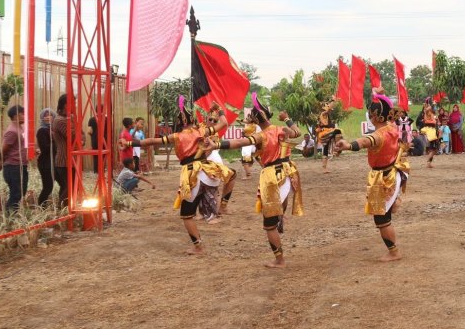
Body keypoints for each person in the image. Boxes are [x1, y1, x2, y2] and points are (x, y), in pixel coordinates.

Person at [122, 98, 235, 255]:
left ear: (181, 122)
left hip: (192, 174)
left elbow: (151, 141)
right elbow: (223, 123)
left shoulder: (177, 136)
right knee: (211, 192)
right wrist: (219, 108)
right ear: (193, 120)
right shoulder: (201, 131)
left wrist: (128, 144)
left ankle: (198, 247)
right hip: (208, 172)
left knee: (186, 215)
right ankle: (215, 209)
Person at [216, 94, 302, 267]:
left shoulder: (261, 136)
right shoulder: (281, 130)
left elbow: (240, 142)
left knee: (268, 226)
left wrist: (217, 145)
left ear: (256, 118)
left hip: (273, 177)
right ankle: (281, 218)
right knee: (282, 200)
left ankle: (280, 260)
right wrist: (287, 119)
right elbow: (298, 132)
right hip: (289, 173)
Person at [334, 90, 410, 262]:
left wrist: (347, 145)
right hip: (393, 171)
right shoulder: (392, 127)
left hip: (385, 177)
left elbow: (363, 142)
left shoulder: (378, 135)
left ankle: (394, 252)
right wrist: (381, 96)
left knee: (381, 218)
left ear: (375, 116)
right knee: (384, 212)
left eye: (370, 112)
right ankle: (395, 199)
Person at [0, 105, 28, 211]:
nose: (25, 116)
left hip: (21, 165)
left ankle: (12, 214)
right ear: (16, 116)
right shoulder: (12, 131)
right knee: (16, 193)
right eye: (23, 114)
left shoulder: (20, 128)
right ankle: (9, 216)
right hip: (13, 167)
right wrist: (0, 164)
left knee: (21, 191)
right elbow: (3, 150)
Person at [50, 94, 75, 208]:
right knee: (69, 187)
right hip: (64, 160)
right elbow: (74, 136)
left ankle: (65, 209)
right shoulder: (60, 120)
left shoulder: (67, 119)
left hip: (69, 159)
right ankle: (62, 210)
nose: (75, 106)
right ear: (66, 105)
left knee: (69, 187)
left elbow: (81, 136)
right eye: (73, 103)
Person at [35, 108, 55, 207]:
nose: (47, 117)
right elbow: (45, 148)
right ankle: (41, 206)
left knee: (55, 185)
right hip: (45, 163)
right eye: (45, 115)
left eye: (49, 115)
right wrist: (55, 141)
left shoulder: (53, 129)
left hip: (54, 162)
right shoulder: (42, 131)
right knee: (47, 187)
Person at [314, 101, 340, 174]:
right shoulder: (323, 114)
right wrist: (334, 101)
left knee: (325, 150)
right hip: (325, 133)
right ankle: (337, 150)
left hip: (327, 132)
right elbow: (327, 110)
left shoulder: (327, 116)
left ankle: (324, 168)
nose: (330, 111)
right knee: (338, 132)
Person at [419, 102, 439, 167]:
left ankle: (429, 163)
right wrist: (428, 105)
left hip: (432, 130)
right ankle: (428, 162)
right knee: (434, 149)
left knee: (434, 149)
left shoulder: (429, 112)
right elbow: (428, 110)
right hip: (431, 131)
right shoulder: (428, 112)